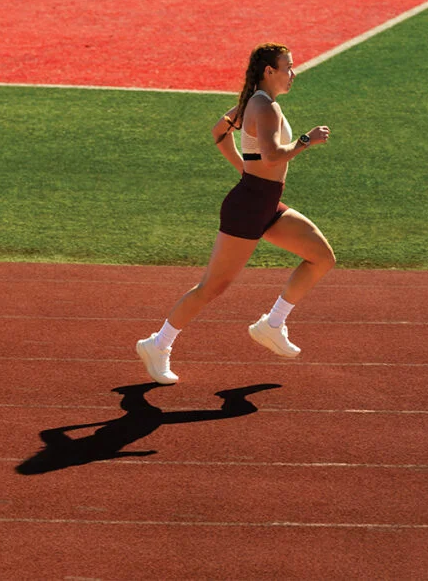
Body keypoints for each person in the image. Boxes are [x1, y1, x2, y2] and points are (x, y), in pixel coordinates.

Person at [136, 43, 335, 384]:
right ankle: (158, 344)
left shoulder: (253, 103)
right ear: (268, 72)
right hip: (248, 206)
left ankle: (272, 324)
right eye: (287, 67)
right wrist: (306, 140)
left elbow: (219, 132)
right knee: (213, 286)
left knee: (321, 256)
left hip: (264, 202)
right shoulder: (265, 107)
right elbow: (273, 156)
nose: (293, 73)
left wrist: (246, 170)